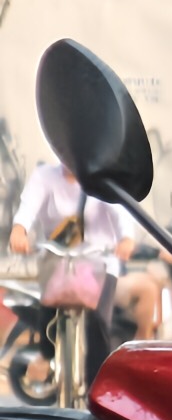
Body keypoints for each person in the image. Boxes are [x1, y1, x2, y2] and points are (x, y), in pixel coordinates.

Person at [10, 158, 141, 380]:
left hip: (100, 263)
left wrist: (126, 239)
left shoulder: (102, 178)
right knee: (47, 305)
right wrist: (19, 230)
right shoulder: (44, 176)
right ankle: (47, 357)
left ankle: (96, 388)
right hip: (60, 262)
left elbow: (121, 214)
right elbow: (28, 208)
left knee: (98, 322)